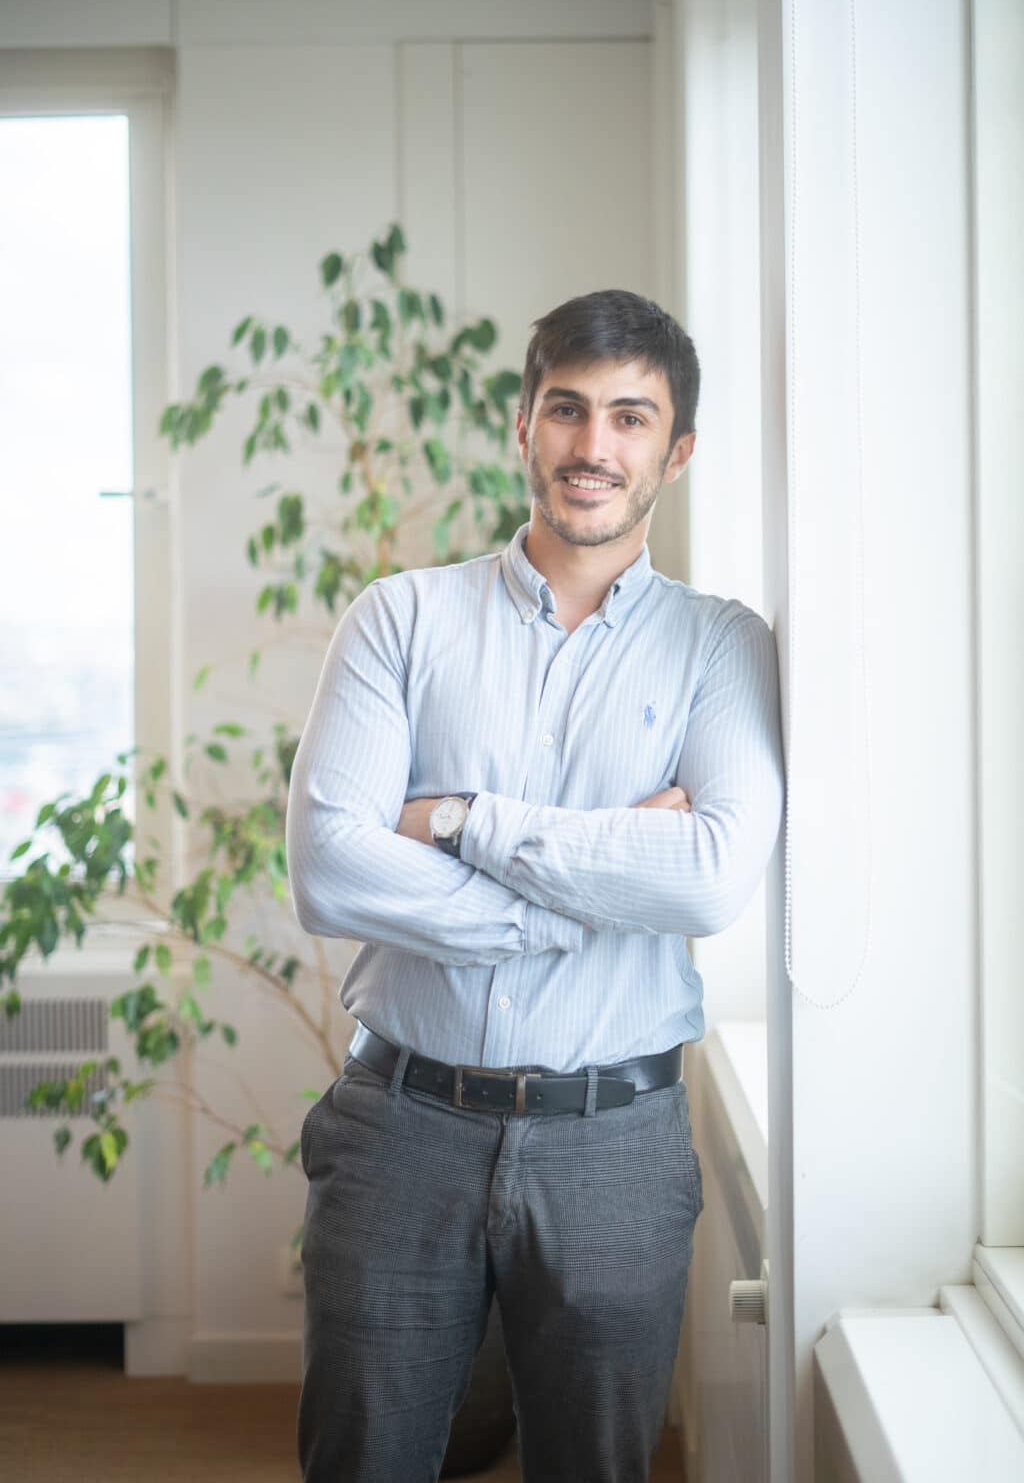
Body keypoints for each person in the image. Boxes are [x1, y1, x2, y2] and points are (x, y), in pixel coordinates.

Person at [285, 287, 785, 1483]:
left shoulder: (723, 646)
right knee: (363, 1462)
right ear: (524, 426)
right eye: (566, 410)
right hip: (401, 1124)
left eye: (628, 417)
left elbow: (711, 877)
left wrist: (461, 820)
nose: (592, 447)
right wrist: (596, 880)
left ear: (677, 450)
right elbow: (327, 866)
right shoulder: (401, 619)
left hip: (615, 1143)